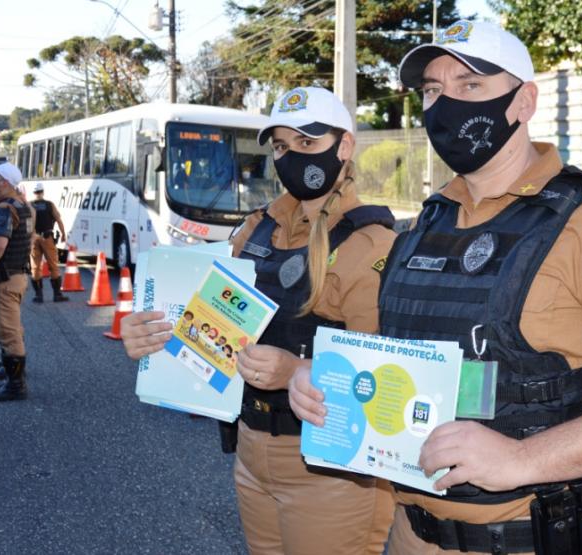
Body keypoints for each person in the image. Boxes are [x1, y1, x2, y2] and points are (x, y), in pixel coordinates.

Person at [289, 20, 582, 555]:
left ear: (524, 101)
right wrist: (327, 380)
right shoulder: (424, 225)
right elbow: (400, 357)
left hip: (536, 539)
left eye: (471, 87)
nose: (446, 105)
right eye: (433, 91)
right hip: (411, 535)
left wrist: (522, 460)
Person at [122, 86, 398, 554]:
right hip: (251, 450)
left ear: (344, 146)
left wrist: (294, 370)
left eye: (307, 143)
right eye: (281, 147)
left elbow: (383, 377)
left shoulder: (371, 242)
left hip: (330, 466)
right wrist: (154, 334)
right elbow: (208, 326)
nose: (291, 158)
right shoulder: (256, 228)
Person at [0, 161, 32, 402]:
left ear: (4, 182)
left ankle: (16, 385)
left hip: (6, 278)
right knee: (9, 327)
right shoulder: (23, 206)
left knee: (7, 331)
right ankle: (9, 370)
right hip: (18, 274)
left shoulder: (5, 209)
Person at [29, 182, 68, 303]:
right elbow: (58, 219)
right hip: (47, 237)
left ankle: (38, 296)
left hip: (34, 238)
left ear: (34, 192)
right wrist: (63, 234)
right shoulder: (49, 205)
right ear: (43, 192)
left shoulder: (29, 205)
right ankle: (57, 295)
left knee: (35, 267)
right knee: (53, 265)